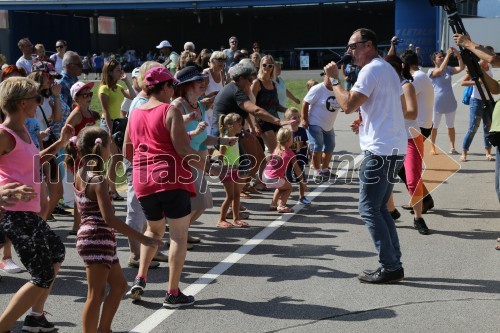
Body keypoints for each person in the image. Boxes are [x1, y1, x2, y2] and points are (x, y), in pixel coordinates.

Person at [123, 66, 224, 307]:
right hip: (171, 177)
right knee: (178, 235)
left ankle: (140, 278)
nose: (173, 90)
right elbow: (183, 149)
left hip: (143, 180)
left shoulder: (135, 112)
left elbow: (127, 148)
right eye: (171, 86)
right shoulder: (169, 110)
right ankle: (172, 291)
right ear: (166, 86)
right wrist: (208, 168)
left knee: (153, 231)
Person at [323, 28, 407, 284]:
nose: (350, 52)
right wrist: (368, 120)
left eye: (353, 46)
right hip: (394, 146)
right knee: (380, 208)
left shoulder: (370, 70)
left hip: (380, 149)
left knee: (369, 208)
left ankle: (390, 265)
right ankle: (394, 263)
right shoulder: (386, 68)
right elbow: (392, 106)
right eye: (349, 47)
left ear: (368, 45)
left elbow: (347, 104)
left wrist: (335, 80)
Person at [65, 127, 163, 333]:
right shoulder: (96, 180)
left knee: (119, 286)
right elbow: (109, 219)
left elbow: (106, 181)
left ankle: (104, 329)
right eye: (111, 144)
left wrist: (115, 160)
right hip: (97, 238)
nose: (113, 148)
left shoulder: (82, 174)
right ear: (101, 147)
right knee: (96, 295)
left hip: (95, 238)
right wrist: (142, 239)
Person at [0, 76, 73, 333]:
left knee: (56, 254)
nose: (38, 103)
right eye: (36, 98)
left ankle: (35, 317)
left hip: (31, 214)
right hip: (16, 215)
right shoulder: (4, 134)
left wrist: (61, 142)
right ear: (22, 103)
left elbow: (32, 162)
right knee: (42, 275)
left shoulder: (24, 132)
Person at [122, 61, 167, 269]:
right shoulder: (140, 104)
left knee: (150, 209)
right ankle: (135, 254)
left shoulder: (144, 101)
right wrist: (133, 164)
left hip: (146, 162)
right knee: (136, 209)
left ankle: (150, 250)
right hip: (139, 162)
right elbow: (129, 140)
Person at [384, 54, 429, 234]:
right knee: (386, 179)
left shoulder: (406, 85)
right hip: (390, 138)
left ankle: (418, 218)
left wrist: (391, 109)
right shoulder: (384, 87)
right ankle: (391, 211)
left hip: (410, 137)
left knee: (412, 179)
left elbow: (412, 113)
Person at [399, 50, 436, 214]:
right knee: (405, 167)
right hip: (422, 125)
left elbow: (402, 99)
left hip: (417, 127)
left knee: (404, 168)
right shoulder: (421, 76)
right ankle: (422, 198)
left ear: (404, 65)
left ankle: (424, 199)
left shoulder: (415, 79)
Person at [98, 59, 136, 200]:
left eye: (121, 69)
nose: (121, 72)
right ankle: (111, 190)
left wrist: (126, 81)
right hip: (109, 124)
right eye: (118, 70)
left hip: (119, 123)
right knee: (115, 158)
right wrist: (110, 131)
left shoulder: (118, 86)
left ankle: (110, 188)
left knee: (117, 157)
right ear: (110, 72)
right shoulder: (103, 89)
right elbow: (106, 112)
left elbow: (133, 96)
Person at [302, 73, 341, 182]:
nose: (330, 79)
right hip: (315, 122)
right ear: (324, 76)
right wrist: (304, 119)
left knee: (330, 145)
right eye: (328, 76)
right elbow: (305, 102)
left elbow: (345, 103)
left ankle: (325, 170)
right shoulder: (318, 88)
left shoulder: (338, 89)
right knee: (318, 145)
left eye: (332, 76)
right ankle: (316, 172)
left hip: (328, 124)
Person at [428, 47, 464, 155]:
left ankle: (452, 147)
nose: (442, 57)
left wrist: (458, 56)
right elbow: (439, 71)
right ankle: (432, 147)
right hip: (436, 103)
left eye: (443, 56)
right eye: (440, 57)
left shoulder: (448, 69)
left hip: (450, 101)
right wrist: (448, 56)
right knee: (434, 126)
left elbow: (461, 68)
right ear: (434, 60)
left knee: (450, 125)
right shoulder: (431, 71)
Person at [460, 51, 495, 162]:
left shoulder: (489, 67)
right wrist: (476, 83)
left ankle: (488, 153)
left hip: (488, 101)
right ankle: (464, 152)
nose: (490, 58)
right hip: (476, 101)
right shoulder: (476, 67)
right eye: (489, 56)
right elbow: (463, 82)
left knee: (488, 127)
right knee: (473, 128)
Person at [263, 127, 307, 213]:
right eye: (292, 138)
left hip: (265, 175)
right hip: (274, 178)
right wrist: (303, 182)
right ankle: (281, 205)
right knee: (289, 188)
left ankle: (273, 204)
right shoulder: (290, 153)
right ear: (288, 140)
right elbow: (297, 169)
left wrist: (282, 177)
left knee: (281, 186)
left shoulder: (277, 148)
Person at [217, 113, 248, 228]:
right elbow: (221, 157)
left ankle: (236, 219)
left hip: (235, 170)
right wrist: (221, 170)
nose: (241, 126)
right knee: (230, 196)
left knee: (236, 195)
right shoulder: (225, 140)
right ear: (230, 126)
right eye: (239, 124)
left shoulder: (235, 139)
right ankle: (221, 219)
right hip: (227, 171)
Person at [251, 55, 287, 155]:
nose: (267, 67)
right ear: (261, 66)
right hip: (262, 121)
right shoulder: (256, 83)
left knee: (283, 149)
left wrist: (288, 111)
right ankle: (273, 170)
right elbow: (250, 105)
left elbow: (276, 105)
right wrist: (255, 124)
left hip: (274, 119)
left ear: (273, 68)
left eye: (270, 66)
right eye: (264, 65)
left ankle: (275, 170)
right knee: (275, 151)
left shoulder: (273, 84)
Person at [284, 108, 310, 205]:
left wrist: (310, 154)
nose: (298, 119)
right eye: (294, 117)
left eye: (299, 117)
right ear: (288, 120)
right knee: (288, 178)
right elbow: (282, 145)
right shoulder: (286, 132)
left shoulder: (302, 131)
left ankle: (302, 197)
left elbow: (306, 143)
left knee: (301, 177)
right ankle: (283, 195)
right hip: (288, 160)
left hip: (300, 158)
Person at [202, 52, 226, 139]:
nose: (222, 62)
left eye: (224, 60)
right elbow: (200, 96)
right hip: (206, 110)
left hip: (217, 111)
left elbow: (223, 90)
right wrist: (210, 100)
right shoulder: (206, 73)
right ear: (212, 60)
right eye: (220, 59)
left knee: (216, 139)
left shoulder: (222, 73)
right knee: (208, 139)